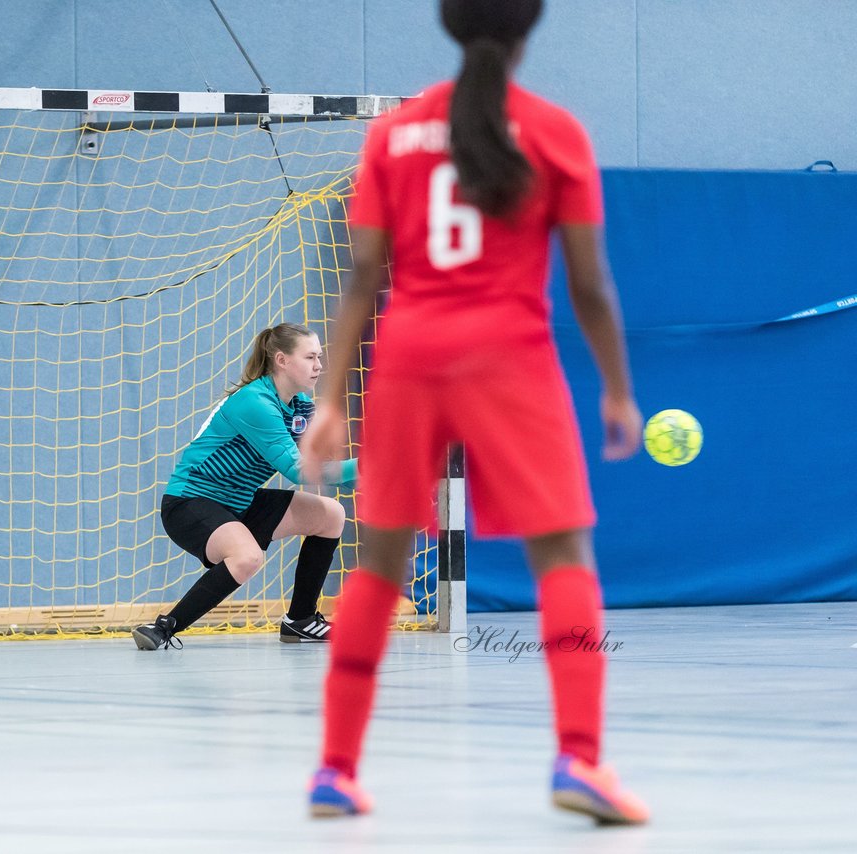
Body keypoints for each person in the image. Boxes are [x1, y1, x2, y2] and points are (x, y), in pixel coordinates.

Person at [299, 0, 650, 826]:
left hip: (410, 359)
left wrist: (327, 404)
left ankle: (334, 771)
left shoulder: (391, 136)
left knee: (379, 565)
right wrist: (618, 389)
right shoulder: (556, 132)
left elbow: (361, 280)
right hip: (511, 359)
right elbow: (591, 287)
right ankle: (582, 761)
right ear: (530, 29)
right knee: (562, 553)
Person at [132, 323, 358, 651]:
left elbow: (328, 469)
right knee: (247, 557)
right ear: (282, 360)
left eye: (320, 357)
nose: (319, 365)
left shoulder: (301, 406)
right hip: (190, 501)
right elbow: (298, 470)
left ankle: (301, 620)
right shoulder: (255, 401)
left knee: (331, 515)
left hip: (240, 501)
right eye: (310, 357)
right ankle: (164, 627)